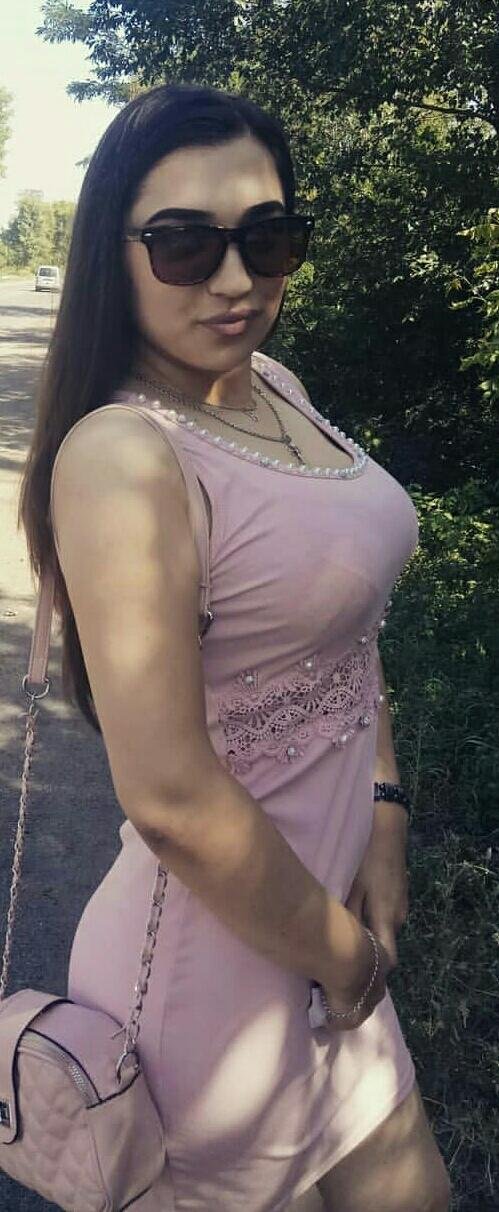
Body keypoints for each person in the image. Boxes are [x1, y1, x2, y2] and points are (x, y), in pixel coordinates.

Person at [18, 83, 451, 1211]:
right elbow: (168, 795)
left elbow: (349, 631)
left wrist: (385, 808)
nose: (234, 280)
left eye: (267, 239)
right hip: (211, 1001)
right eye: (183, 244)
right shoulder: (123, 456)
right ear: (113, 253)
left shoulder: (272, 390)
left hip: (324, 946)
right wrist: (346, 961)